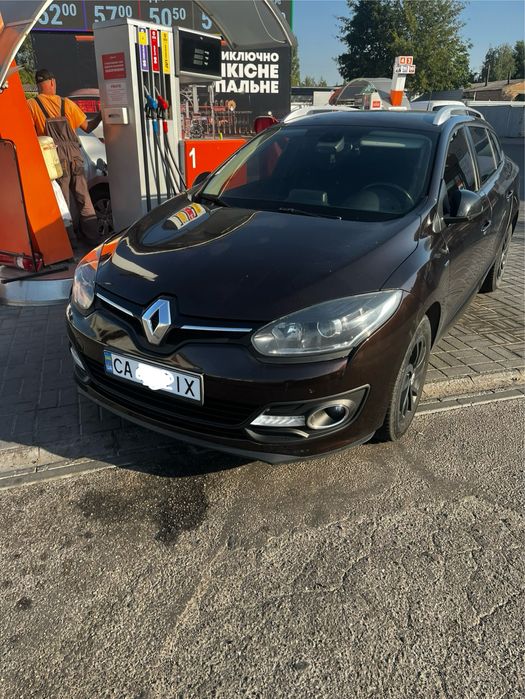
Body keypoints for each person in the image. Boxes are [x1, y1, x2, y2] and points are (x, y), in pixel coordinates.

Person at [27, 68, 102, 244]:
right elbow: (88, 127)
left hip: (53, 158)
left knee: (63, 201)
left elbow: (29, 134)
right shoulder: (67, 104)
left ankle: (70, 242)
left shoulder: (31, 105)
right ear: (52, 82)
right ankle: (93, 238)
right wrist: (102, 115)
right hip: (75, 156)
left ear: (38, 85)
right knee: (83, 197)